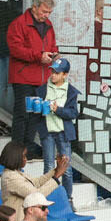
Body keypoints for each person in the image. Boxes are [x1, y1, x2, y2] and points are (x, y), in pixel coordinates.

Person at [6, 0, 57, 148]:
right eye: (44, 11)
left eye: (49, 12)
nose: (46, 15)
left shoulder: (48, 25)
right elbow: (15, 49)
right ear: (34, 8)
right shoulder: (19, 23)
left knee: (35, 115)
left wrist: (54, 54)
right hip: (23, 78)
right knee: (22, 115)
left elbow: (53, 45)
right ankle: (17, 150)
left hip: (41, 78)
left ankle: (27, 149)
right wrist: (38, 56)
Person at [39, 57, 79, 194]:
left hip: (63, 132)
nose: (53, 75)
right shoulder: (43, 89)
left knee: (66, 169)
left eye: (57, 72)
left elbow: (73, 113)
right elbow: (36, 111)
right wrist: (36, 108)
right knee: (49, 166)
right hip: (47, 132)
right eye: (52, 72)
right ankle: (46, 198)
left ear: (65, 75)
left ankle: (68, 199)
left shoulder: (71, 91)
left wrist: (58, 110)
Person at [0, 139, 65, 214]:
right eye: (24, 156)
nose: (26, 159)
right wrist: (56, 177)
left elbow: (37, 182)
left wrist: (56, 170)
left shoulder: (16, 173)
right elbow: (37, 195)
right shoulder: (10, 178)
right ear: (15, 157)